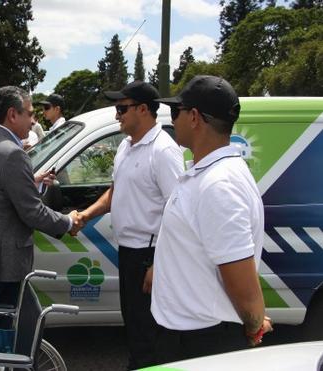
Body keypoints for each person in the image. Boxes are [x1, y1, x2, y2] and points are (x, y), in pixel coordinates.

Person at [152, 75, 272, 363]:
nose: (171, 121)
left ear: (194, 117)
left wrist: (255, 326)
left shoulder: (219, 185)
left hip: (203, 340)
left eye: (175, 112)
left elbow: (240, 278)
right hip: (189, 332)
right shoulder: (207, 174)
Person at [75, 81, 183, 369]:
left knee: (149, 335)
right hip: (129, 253)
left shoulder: (163, 151)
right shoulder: (126, 145)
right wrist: (87, 214)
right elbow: (115, 190)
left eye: (122, 108)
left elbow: (180, 210)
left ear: (144, 109)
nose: (116, 115)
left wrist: (159, 263)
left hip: (151, 255)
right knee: (135, 327)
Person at [0, 86, 82, 327]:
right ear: (13, 115)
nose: (33, 120)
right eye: (30, 113)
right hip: (0, 266)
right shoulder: (12, 154)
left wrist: (31, 181)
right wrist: (68, 221)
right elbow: (32, 212)